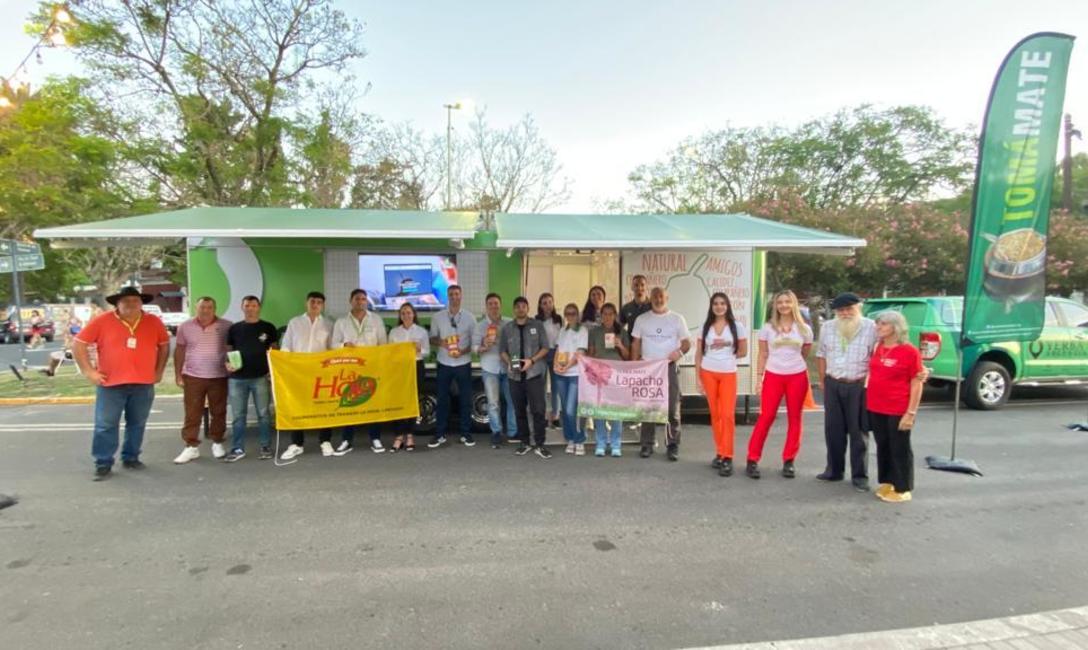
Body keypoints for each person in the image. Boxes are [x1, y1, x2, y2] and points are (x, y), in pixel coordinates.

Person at [72, 287, 170, 481]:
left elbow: (164, 346)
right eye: (126, 301)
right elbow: (79, 343)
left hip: (143, 383)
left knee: (137, 423)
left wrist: (158, 371)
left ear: (141, 303)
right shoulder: (102, 321)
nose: (131, 304)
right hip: (110, 384)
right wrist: (89, 371)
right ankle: (103, 462)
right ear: (118, 303)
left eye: (135, 300)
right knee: (105, 425)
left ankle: (131, 457)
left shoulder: (153, 321)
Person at [746, 290, 814, 479]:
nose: (784, 305)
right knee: (766, 417)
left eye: (787, 302)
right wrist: (759, 378)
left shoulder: (804, 329)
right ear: (775, 305)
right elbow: (762, 354)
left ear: (793, 304)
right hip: (773, 375)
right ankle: (752, 459)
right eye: (780, 302)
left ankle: (789, 460)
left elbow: (805, 352)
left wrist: (792, 365)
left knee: (795, 419)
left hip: (797, 376)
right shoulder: (767, 328)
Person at [815, 292, 878, 490]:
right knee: (833, 430)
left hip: (858, 385)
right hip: (833, 383)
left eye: (849, 309)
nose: (845, 313)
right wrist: (823, 380)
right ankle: (834, 470)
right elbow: (821, 354)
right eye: (841, 310)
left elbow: (877, 355)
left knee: (858, 433)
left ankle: (860, 476)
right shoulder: (827, 327)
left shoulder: (871, 327)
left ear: (858, 307)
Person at [867, 310, 924, 503]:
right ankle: (888, 481)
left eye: (883, 324)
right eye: (878, 323)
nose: (879, 327)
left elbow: (917, 382)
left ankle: (903, 487)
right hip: (876, 406)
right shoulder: (878, 347)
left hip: (898, 408)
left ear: (895, 327)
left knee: (899, 447)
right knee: (883, 445)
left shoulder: (909, 351)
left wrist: (911, 413)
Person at [631, 287, 691, 461]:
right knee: (648, 407)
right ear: (650, 298)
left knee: (672, 408)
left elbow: (687, 343)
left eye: (661, 296)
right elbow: (636, 343)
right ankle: (647, 444)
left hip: (669, 367)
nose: (658, 299)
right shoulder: (642, 319)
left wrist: (678, 353)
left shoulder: (677, 319)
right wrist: (635, 365)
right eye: (655, 296)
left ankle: (672, 445)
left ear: (667, 297)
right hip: (648, 367)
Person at [172, 297, 232, 464]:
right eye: (202, 307)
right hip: (193, 376)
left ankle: (217, 442)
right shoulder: (185, 326)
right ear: (196, 308)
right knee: (192, 413)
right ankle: (191, 447)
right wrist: (178, 375)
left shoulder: (227, 325)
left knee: (218, 412)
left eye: (209, 307)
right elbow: (180, 350)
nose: (205, 310)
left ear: (215, 308)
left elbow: (232, 350)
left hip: (219, 376)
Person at [695, 292, 749, 477]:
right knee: (716, 415)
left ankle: (728, 457)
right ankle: (720, 451)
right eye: (716, 303)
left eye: (722, 303)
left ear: (728, 306)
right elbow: (699, 353)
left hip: (728, 374)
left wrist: (725, 351)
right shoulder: (705, 327)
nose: (719, 306)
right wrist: (697, 378)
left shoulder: (737, 326)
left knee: (727, 415)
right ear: (711, 306)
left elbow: (743, 351)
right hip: (708, 373)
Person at [331, 289, 389, 455]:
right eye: (357, 299)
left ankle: (375, 438)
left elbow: (383, 344)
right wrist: (343, 345)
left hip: (372, 367)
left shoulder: (376, 320)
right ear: (351, 301)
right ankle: (347, 440)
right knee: (349, 403)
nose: (361, 301)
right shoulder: (341, 322)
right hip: (350, 368)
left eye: (363, 299)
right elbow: (333, 344)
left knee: (373, 403)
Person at [278, 291, 335, 460]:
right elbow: (286, 346)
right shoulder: (295, 322)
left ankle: (325, 441)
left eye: (319, 302)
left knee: (325, 406)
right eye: (312, 301)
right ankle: (297, 444)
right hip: (298, 372)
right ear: (306, 303)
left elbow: (332, 349)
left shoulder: (328, 325)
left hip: (321, 373)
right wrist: (283, 364)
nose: (315, 304)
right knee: (297, 406)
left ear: (323, 305)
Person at [223, 295, 279, 462]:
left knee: (263, 414)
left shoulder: (268, 327)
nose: (250, 308)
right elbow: (228, 350)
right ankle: (238, 448)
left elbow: (275, 351)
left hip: (260, 377)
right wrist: (227, 363)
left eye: (254, 305)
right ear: (242, 307)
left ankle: (265, 446)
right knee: (238, 415)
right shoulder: (234, 329)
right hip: (237, 378)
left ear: (259, 307)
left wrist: (272, 371)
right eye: (247, 305)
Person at [500, 296, 552, 459]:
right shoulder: (507, 328)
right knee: (519, 410)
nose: (520, 309)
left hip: (534, 374)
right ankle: (524, 442)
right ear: (514, 309)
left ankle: (540, 444)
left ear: (528, 308)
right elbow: (502, 350)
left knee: (538, 410)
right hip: (514, 376)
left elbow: (545, 347)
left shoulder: (537, 325)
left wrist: (532, 360)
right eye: (517, 306)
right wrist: (509, 362)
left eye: (523, 306)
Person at [428, 284, 477, 448]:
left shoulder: (470, 317)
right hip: (444, 363)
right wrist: (442, 342)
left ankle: (465, 434)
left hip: (463, 362)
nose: (454, 297)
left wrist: (463, 351)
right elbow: (432, 338)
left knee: (465, 399)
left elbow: (474, 341)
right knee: (442, 399)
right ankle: (440, 434)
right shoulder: (438, 316)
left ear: (461, 296)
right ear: (447, 297)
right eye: (451, 294)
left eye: (457, 294)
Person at [586, 302, 630, 457]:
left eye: (611, 313)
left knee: (616, 411)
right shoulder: (595, 332)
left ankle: (616, 444)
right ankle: (601, 443)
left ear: (615, 316)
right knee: (600, 411)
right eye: (604, 313)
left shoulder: (622, 332)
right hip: (599, 375)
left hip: (616, 375)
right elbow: (590, 354)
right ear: (600, 316)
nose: (607, 316)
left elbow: (628, 357)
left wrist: (620, 345)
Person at [473, 293, 517, 448]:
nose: (493, 306)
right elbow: (474, 348)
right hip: (490, 368)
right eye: (490, 303)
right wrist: (484, 345)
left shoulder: (510, 323)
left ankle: (513, 431)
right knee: (493, 403)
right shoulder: (480, 326)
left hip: (509, 368)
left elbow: (517, 344)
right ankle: (496, 432)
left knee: (512, 401)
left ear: (500, 305)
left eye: (496, 303)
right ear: (486, 306)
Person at [388, 302, 429, 452]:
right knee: (398, 401)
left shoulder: (421, 331)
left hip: (416, 366)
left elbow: (427, 352)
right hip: (399, 369)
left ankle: (410, 435)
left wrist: (420, 349)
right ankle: (399, 436)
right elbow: (389, 353)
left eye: (409, 312)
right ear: (400, 315)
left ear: (414, 314)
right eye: (403, 313)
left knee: (414, 401)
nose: (406, 315)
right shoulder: (394, 332)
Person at [553, 303, 589, 455]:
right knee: (564, 409)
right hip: (560, 374)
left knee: (571, 409)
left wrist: (566, 367)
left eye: (573, 313)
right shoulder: (563, 330)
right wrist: (555, 365)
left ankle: (580, 439)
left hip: (575, 374)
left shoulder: (582, 330)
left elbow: (580, 353)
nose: (570, 316)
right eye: (567, 313)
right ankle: (570, 439)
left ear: (578, 314)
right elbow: (558, 350)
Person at [536, 293, 563, 429]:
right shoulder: (536, 321)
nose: (547, 305)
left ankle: (556, 416)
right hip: (541, 354)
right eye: (544, 303)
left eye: (550, 302)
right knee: (541, 387)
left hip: (556, 354)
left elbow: (562, 338)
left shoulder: (559, 319)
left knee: (555, 387)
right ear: (540, 305)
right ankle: (544, 416)